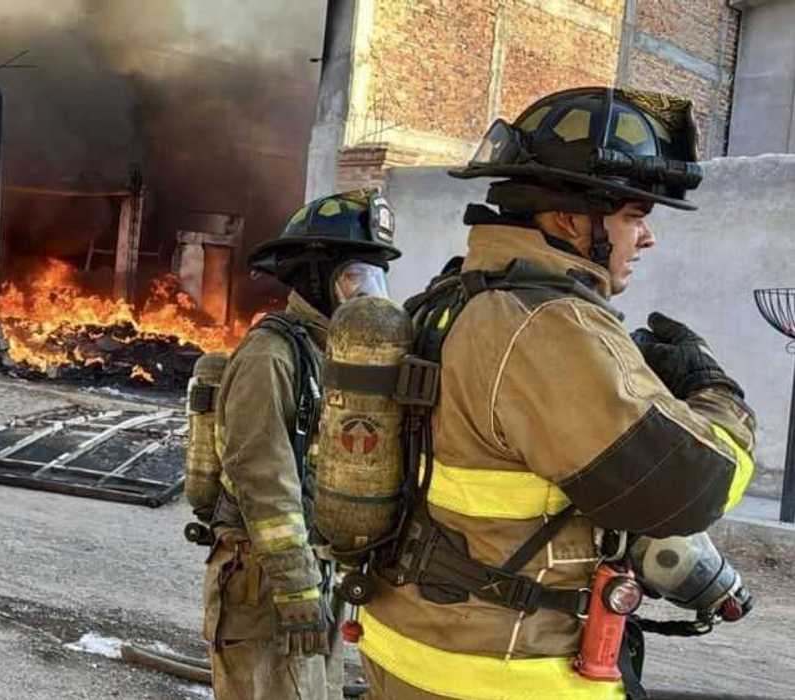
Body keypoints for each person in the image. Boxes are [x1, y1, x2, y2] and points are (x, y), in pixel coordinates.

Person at [355, 88, 756, 699]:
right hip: (501, 671)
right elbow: (687, 489)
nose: (647, 238)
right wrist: (714, 389)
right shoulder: (548, 327)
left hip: (412, 645)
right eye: (634, 216)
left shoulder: (452, 296)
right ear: (570, 220)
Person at [204, 189, 401, 699]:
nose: (368, 295)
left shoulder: (333, 355)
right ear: (315, 278)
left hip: (315, 573)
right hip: (264, 579)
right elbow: (263, 481)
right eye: (355, 277)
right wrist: (295, 585)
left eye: (375, 278)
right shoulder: (270, 356)